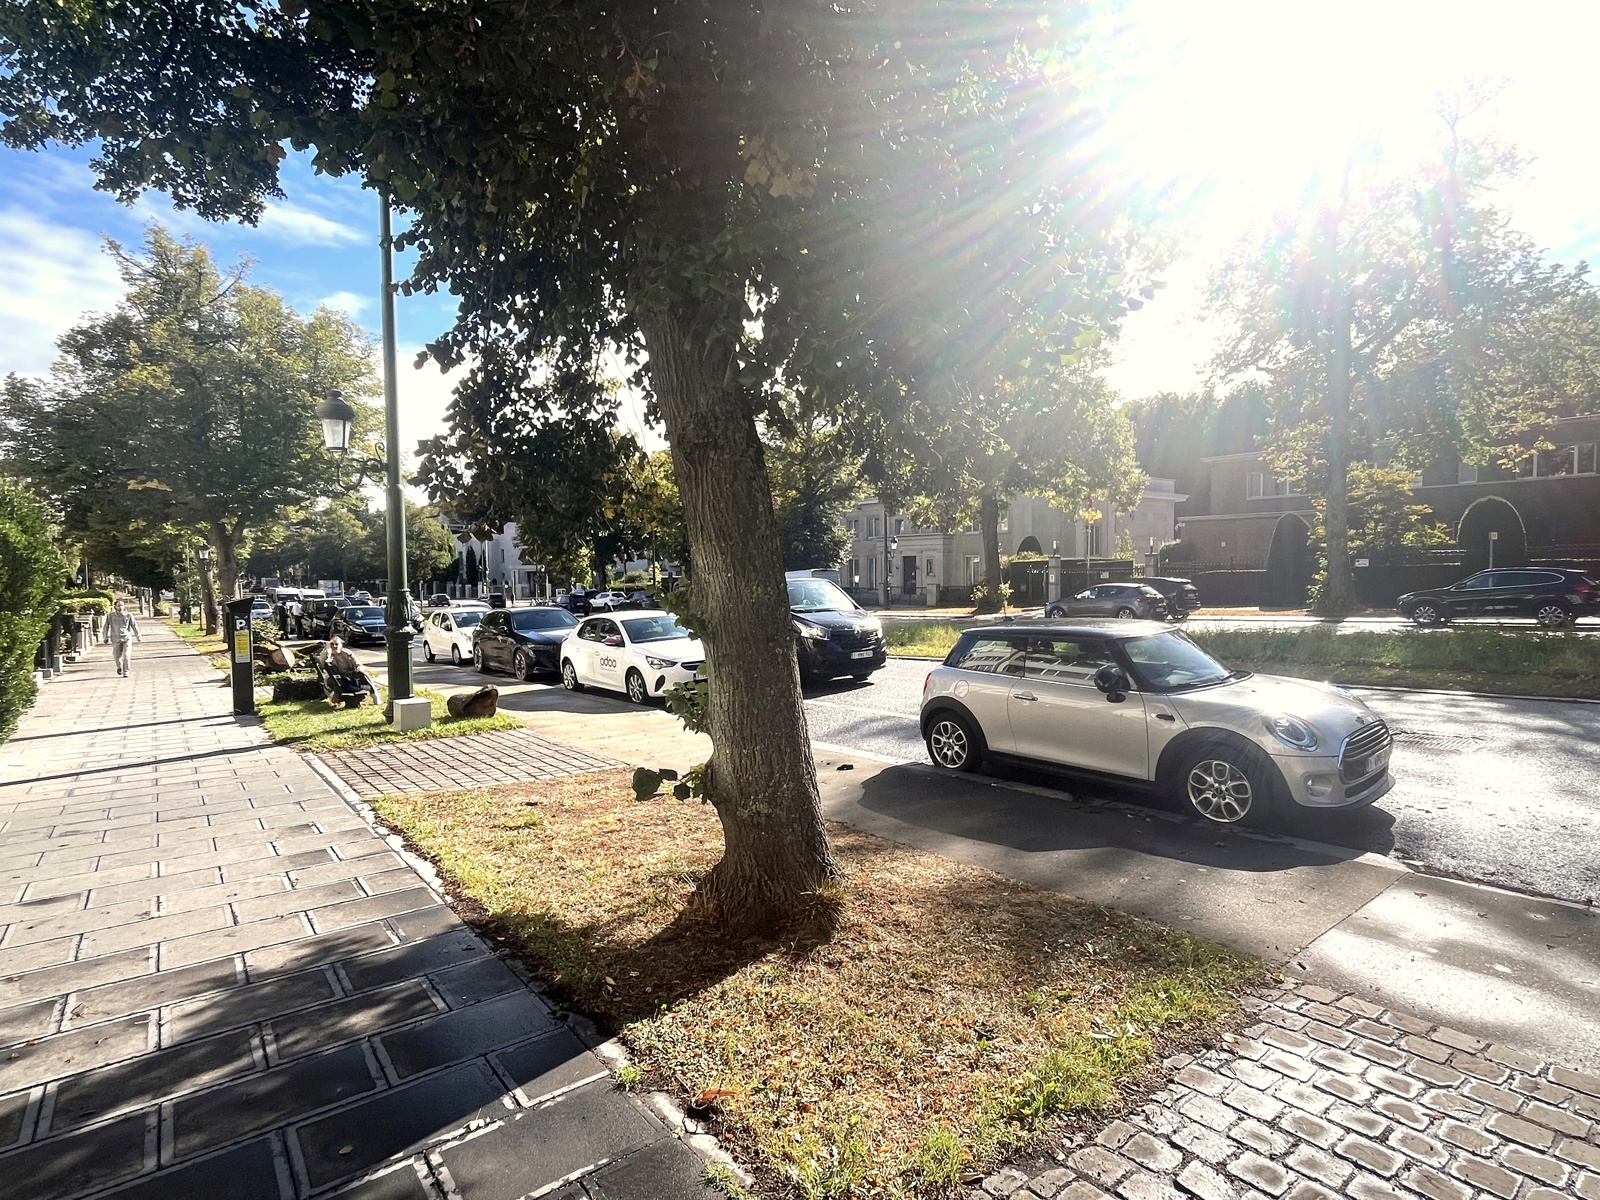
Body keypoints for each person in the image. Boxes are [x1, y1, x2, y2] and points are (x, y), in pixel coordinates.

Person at [318, 636, 379, 706]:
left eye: (336, 644)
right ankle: (356, 689)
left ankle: (375, 695)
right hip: (335, 678)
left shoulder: (347, 653)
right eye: (331, 644)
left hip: (349, 675)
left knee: (363, 674)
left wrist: (359, 668)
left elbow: (358, 664)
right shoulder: (326, 654)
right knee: (337, 682)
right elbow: (322, 663)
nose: (334, 646)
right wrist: (328, 651)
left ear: (341, 645)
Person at [101, 598, 143, 677]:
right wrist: (105, 637)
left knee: (126, 655)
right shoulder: (110, 616)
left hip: (126, 638)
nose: (120, 607)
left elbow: (134, 626)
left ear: (124, 606)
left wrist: (138, 636)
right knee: (117, 656)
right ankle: (119, 667)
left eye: (121, 605)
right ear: (115, 606)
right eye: (118, 605)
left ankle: (126, 671)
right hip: (115, 638)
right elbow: (106, 627)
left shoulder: (128, 615)